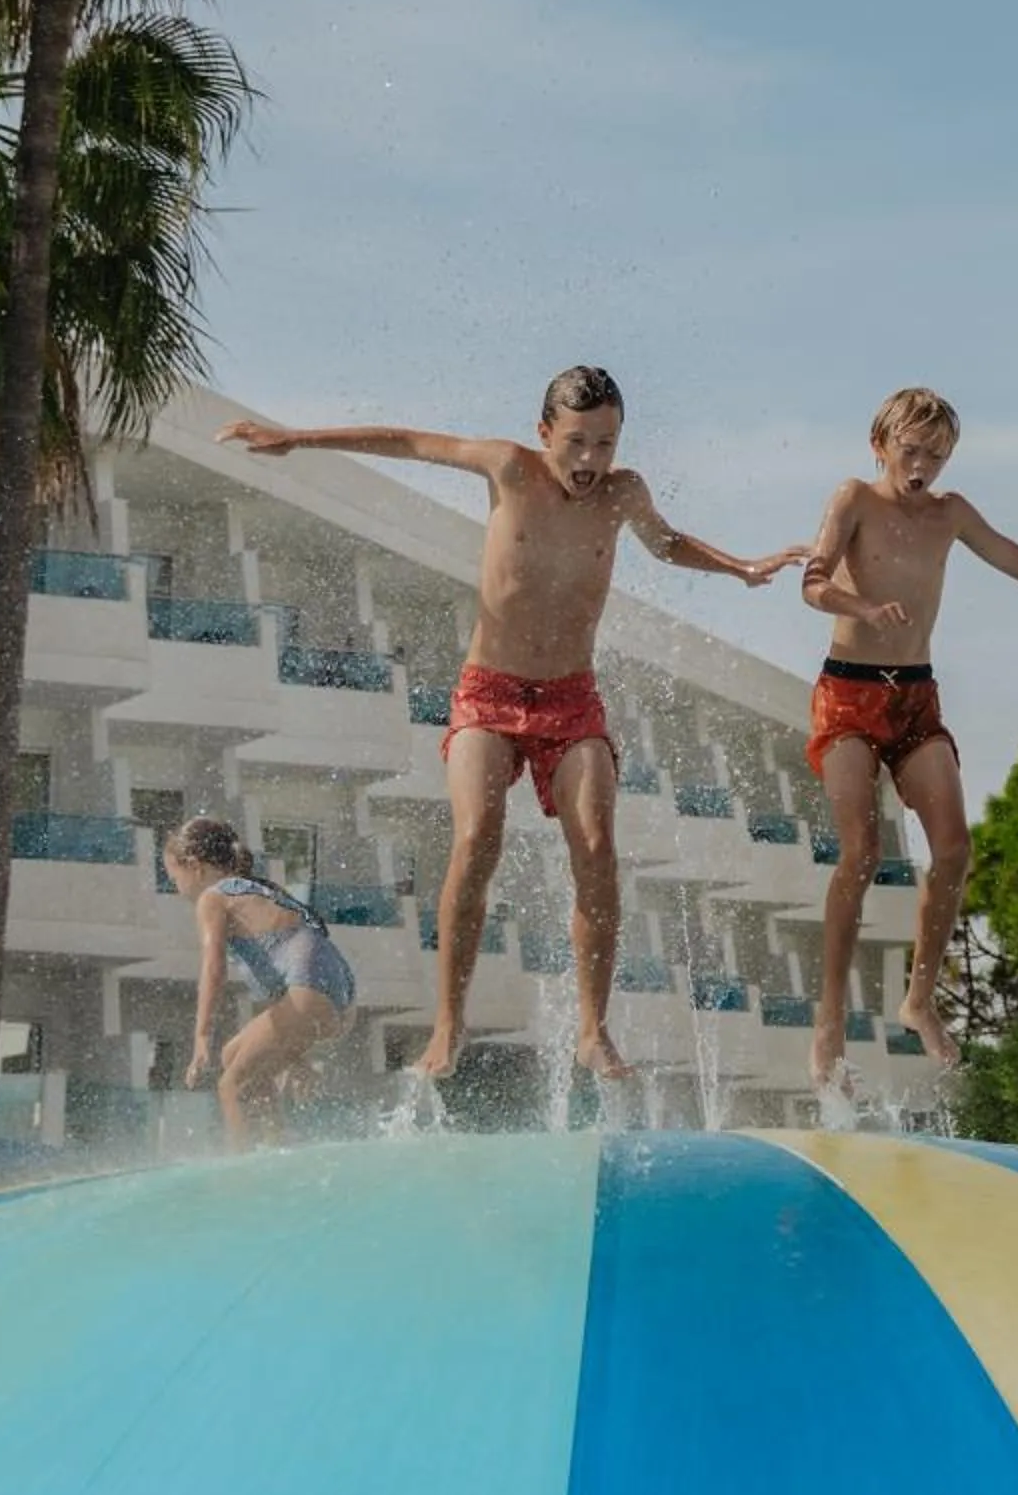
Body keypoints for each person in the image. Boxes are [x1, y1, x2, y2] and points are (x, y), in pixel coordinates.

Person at [218, 367, 802, 1084]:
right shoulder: (507, 467)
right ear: (543, 432)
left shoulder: (624, 494)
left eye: (606, 444)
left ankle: (592, 1031)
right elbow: (408, 441)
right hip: (489, 694)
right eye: (576, 442)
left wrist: (742, 569)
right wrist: (297, 438)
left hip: (572, 700)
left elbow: (668, 542)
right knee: (477, 837)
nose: (590, 461)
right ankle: (448, 1024)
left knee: (596, 845)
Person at [796, 386, 1018, 1099]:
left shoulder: (952, 514)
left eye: (936, 456)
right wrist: (861, 605)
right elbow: (812, 584)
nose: (921, 467)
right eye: (910, 451)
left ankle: (918, 999)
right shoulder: (854, 497)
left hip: (915, 696)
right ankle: (829, 1023)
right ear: (880, 446)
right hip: (848, 693)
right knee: (861, 850)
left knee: (954, 848)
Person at [173, 816, 356, 1149]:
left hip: (308, 990)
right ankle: (276, 1142)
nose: (176, 888)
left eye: (174, 877)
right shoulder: (260, 890)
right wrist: (296, 1056)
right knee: (233, 1056)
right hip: (341, 996)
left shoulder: (212, 897)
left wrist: (201, 1036)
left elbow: (213, 968)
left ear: (194, 866)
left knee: (231, 1085)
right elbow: (296, 964)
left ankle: (241, 1166)